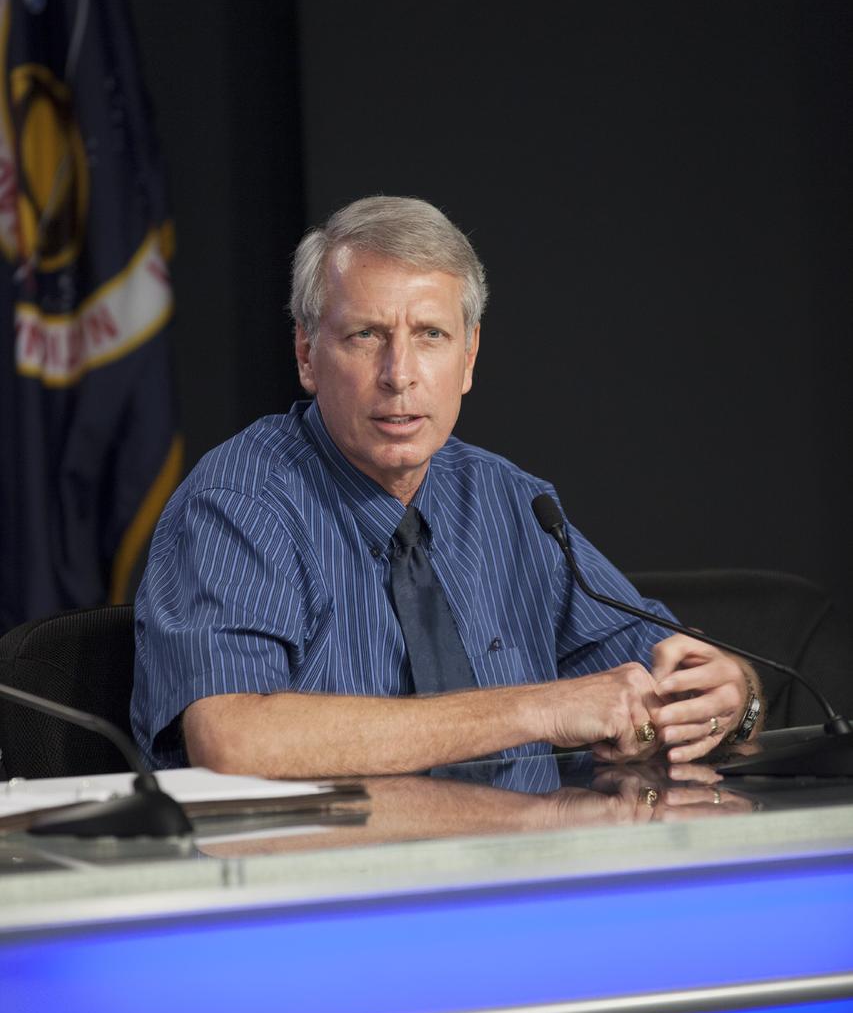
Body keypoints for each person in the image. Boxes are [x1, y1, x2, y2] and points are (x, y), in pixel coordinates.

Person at [131, 196, 762, 777]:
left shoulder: (511, 502)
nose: (398, 374)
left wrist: (733, 695)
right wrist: (536, 710)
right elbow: (234, 743)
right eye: (365, 335)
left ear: (469, 356)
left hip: (528, 884)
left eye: (430, 335)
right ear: (305, 354)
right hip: (330, 892)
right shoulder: (241, 501)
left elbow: (669, 675)